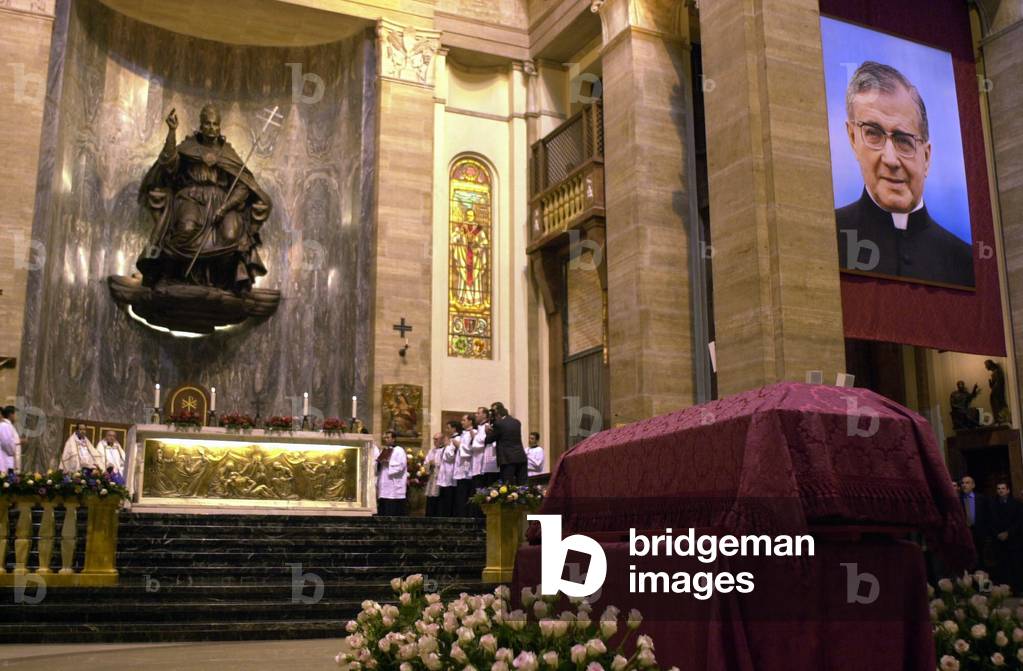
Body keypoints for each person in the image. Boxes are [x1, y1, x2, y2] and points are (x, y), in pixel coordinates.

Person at [835, 61, 973, 287]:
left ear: (926, 157)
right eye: (873, 134)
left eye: (903, 141)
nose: (890, 159)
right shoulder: (827, 236)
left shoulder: (964, 262)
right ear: (852, 138)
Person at [988, 481, 1022, 591]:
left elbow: (1019, 521)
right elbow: (990, 521)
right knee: (1003, 566)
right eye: (998, 488)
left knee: (1016, 566)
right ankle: (1005, 590)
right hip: (999, 540)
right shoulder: (992, 504)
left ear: (1008, 490)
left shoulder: (1016, 504)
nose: (1000, 490)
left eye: (1003, 488)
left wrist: (1008, 533)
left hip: (1014, 540)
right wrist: (997, 534)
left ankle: (1018, 589)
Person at [486, 402, 527, 485]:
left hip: (507, 458)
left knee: (507, 485)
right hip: (520, 457)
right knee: (522, 484)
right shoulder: (516, 422)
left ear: (497, 412)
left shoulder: (498, 424)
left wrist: (488, 432)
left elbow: (489, 440)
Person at [373, 431, 407, 516]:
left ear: (393, 439)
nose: (386, 439)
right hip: (384, 484)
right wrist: (378, 462)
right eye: (385, 438)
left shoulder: (399, 450)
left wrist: (389, 462)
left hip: (394, 485)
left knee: (392, 509)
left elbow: (402, 465)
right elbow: (378, 466)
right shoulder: (384, 450)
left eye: (388, 437)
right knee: (383, 508)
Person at [961, 475, 989, 568]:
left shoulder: (981, 499)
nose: (964, 485)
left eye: (967, 483)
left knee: (982, 558)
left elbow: (987, 515)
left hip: (980, 532)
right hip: (965, 533)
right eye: (963, 483)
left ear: (973, 485)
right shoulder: (958, 500)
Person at [474, 406, 500, 486]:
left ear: (485, 415)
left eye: (478, 413)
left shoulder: (488, 426)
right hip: (480, 462)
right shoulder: (479, 427)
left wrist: (475, 438)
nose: (476, 415)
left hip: (489, 460)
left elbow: (482, 442)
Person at [453, 419, 473, 517]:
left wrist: (459, 445)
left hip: (467, 469)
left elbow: (470, 450)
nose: (462, 422)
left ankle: (465, 516)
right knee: (460, 497)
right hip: (460, 469)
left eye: (464, 420)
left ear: (470, 421)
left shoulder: (473, 433)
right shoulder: (463, 434)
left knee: (465, 495)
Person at [436, 427, 457, 517]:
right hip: (443, 477)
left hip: (450, 477)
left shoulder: (452, 444)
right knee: (442, 499)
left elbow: (450, 457)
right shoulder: (444, 447)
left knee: (449, 499)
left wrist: (448, 446)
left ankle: (448, 516)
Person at [424, 432, 444, 517]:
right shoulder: (431, 451)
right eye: (434, 439)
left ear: (442, 440)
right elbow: (426, 462)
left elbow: (446, 463)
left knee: (439, 498)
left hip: (440, 477)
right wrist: (429, 464)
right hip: (432, 477)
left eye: (436, 439)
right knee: (430, 497)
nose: (434, 441)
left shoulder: (444, 450)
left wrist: (435, 463)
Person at [0, 406, 21, 473]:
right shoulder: (4, 425)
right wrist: (12, 452)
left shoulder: (6, 425)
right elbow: (7, 442)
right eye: (15, 414)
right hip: (6, 461)